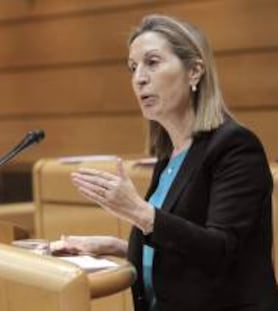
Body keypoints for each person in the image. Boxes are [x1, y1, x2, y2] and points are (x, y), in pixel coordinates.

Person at [51, 14, 278, 311]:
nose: (139, 78)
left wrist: (136, 210)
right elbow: (179, 244)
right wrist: (114, 246)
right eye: (133, 67)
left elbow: (219, 250)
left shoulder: (235, 147)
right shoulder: (171, 154)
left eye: (152, 62)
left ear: (195, 71)